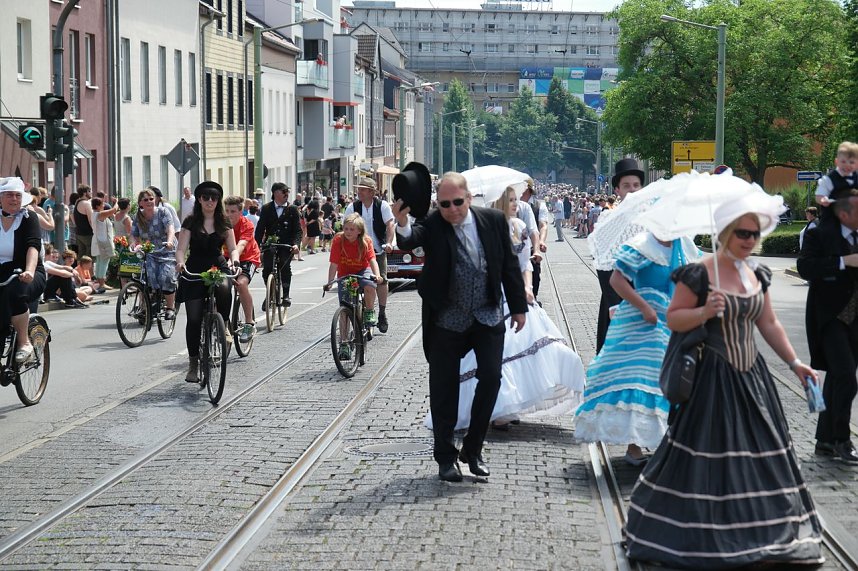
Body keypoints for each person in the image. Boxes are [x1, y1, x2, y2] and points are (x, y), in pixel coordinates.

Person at [626, 193, 824, 568]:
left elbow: (768, 323)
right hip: (713, 379)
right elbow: (674, 318)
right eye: (742, 233)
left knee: (762, 451)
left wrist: (796, 362)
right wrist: (704, 310)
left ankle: (759, 529)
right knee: (707, 454)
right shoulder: (699, 273)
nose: (749, 240)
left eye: (754, 234)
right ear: (726, 232)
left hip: (752, 378)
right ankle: (703, 529)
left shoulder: (755, 273)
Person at [393, 172, 528, 482]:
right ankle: (445, 457)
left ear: (468, 198)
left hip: (487, 314)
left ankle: (473, 448)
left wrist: (518, 307)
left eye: (457, 202)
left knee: (492, 378)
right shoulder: (433, 223)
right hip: (447, 318)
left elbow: (507, 264)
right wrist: (401, 224)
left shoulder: (493, 220)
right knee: (444, 388)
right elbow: (412, 238)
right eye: (444, 204)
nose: (452, 210)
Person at [429, 185, 585, 432]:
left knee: (522, 349)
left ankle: (507, 407)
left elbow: (523, 265)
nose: (517, 204)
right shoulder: (482, 228)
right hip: (489, 298)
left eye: (515, 199)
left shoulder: (520, 227)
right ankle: (495, 409)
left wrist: (526, 288)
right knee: (496, 358)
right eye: (510, 200)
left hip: (513, 296)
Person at [575, 231, 700, 465]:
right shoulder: (642, 245)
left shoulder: (685, 247)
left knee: (677, 379)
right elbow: (616, 280)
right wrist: (643, 307)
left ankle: (671, 440)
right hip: (645, 323)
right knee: (643, 379)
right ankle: (634, 445)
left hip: (676, 321)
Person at [798, 186, 858, 464]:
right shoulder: (818, 234)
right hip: (829, 318)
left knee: (837, 376)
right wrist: (843, 262)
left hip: (854, 319)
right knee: (846, 376)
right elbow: (806, 267)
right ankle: (842, 440)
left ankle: (824, 440)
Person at [176, 182, 240, 383]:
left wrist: (235, 260)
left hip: (217, 264)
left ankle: (224, 325)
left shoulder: (224, 222)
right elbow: (181, 249)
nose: (210, 201)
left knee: (223, 288)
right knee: (193, 319)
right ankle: (193, 363)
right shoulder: (191, 221)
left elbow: (233, 247)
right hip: (194, 266)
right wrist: (180, 263)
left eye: (213, 198)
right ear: (200, 200)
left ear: (217, 200)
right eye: (205, 197)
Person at [595, 159, 644, 353]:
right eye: (626, 186)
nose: (632, 190)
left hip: (647, 292)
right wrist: (613, 304)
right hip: (618, 293)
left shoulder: (652, 216)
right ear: (617, 190)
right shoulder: (608, 219)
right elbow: (603, 266)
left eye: (636, 185)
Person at [0, 177, 47, 363]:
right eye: (9, 195)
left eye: (17, 195)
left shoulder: (29, 217)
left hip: (28, 271)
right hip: (2, 269)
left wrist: (29, 271)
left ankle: (24, 342)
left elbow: (33, 247)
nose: (14, 199)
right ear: (1, 198)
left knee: (14, 292)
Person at [323, 213, 383, 355]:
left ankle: (369, 311)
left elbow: (372, 260)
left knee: (369, 284)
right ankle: (344, 343)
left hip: (363, 270)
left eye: (351, 229)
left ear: (359, 231)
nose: (348, 232)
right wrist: (330, 281)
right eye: (346, 228)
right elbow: (334, 264)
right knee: (345, 308)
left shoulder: (366, 241)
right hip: (345, 273)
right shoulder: (338, 240)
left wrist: (378, 275)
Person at [345, 177, 396, 333]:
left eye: (362, 189)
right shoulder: (352, 207)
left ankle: (381, 312)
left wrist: (389, 243)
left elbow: (390, 226)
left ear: (372, 192)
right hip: (356, 251)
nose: (359, 192)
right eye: (358, 189)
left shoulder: (382, 206)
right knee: (350, 280)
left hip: (377, 250)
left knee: (381, 279)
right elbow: (345, 228)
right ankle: (352, 308)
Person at [131, 188, 178, 320]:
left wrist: (169, 241)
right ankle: (147, 306)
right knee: (147, 278)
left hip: (166, 249)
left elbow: (170, 228)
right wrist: (135, 244)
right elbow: (134, 234)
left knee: (166, 278)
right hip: (149, 251)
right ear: (141, 203)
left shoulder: (163, 212)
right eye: (145, 200)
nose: (149, 201)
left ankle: (170, 307)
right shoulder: (138, 216)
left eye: (151, 198)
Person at [254, 182, 301, 310]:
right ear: (275, 193)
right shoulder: (267, 208)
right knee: (267, 269)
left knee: (284, 266)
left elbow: (297, 230)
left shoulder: (292, 209)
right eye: (283, 192)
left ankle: (285, 295)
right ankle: (270, 292)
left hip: (286, 245)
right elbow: (260, 229)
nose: (286, 194)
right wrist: (256, 246)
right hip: (271, 243)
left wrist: (296, 245)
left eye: (287, 192)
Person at [223, 195, 260, 343]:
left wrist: (235, 258)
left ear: (240, 212)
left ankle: (249, 323)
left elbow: (241, 245)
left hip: (248, 258)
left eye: (233, 211)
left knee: (241, 283)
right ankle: (220, 322)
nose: (229, 214)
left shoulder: (247, 224)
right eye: (227, 211)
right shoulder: (221, 224)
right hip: (227, 257)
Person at [520, 182, 549, 298]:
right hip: (515, 247)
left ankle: (533, 297)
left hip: (532, 246)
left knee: (534, 273)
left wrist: (541, 241)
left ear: (529, 191)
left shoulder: (539, 205)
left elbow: (542, 225)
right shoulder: (511, 204)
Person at [814, 141, 858, 215]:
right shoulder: (828, 179)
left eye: (851, 162)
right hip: (833, 218)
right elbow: (819, 196)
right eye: (843, 162)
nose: (847, 165)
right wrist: (823, 200)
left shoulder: (856, 177)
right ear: (836, 162)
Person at [42, 244, 87, 308]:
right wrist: (73, 274)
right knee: (64, 275)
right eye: (51, 253)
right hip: (45, 291)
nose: (52, 255)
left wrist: (72, 270)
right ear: (46, 254)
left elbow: (64, 267)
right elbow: (62, 274)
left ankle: (74, 299)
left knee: (87, 289)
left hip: (49, 288)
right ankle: (71, 300)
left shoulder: (47, 262)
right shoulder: (43, 264)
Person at [90, 196, 118, 293]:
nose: (104, 206)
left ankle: (99, 282)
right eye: (102, 204)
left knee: (99, 262)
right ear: (97, 206)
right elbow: (114, 210)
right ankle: (102, 283)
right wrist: (116, 202)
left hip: (98, 241)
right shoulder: (100, 214)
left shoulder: (94, 214)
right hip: (103, 242)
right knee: (104, 262)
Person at [73, 184, 94, 256]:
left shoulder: (77, 202)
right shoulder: (87, 204)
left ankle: (80, 267)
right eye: (89, 191)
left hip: (79, 233)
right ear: (85, 193)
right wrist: (95, 231)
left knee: (81, 255)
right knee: (89, 256)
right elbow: (91, 220)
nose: (91, 192)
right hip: (87, 234)